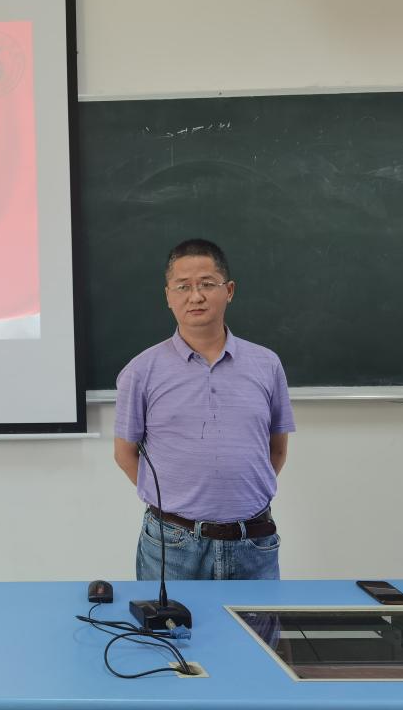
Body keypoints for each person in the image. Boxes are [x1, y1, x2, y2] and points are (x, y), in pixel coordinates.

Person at [113, 239, 295, 581]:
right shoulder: (141, 371)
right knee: (167, 620)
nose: (195, 296)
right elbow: (125, 453)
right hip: (172, 543)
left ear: (229, 290)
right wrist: (174, 504)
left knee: (254, 620)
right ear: (168, 296)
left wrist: (236, 500)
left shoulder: (266, 364)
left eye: (207, 284)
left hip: (253, 541)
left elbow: (277, 449)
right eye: (183, 286)